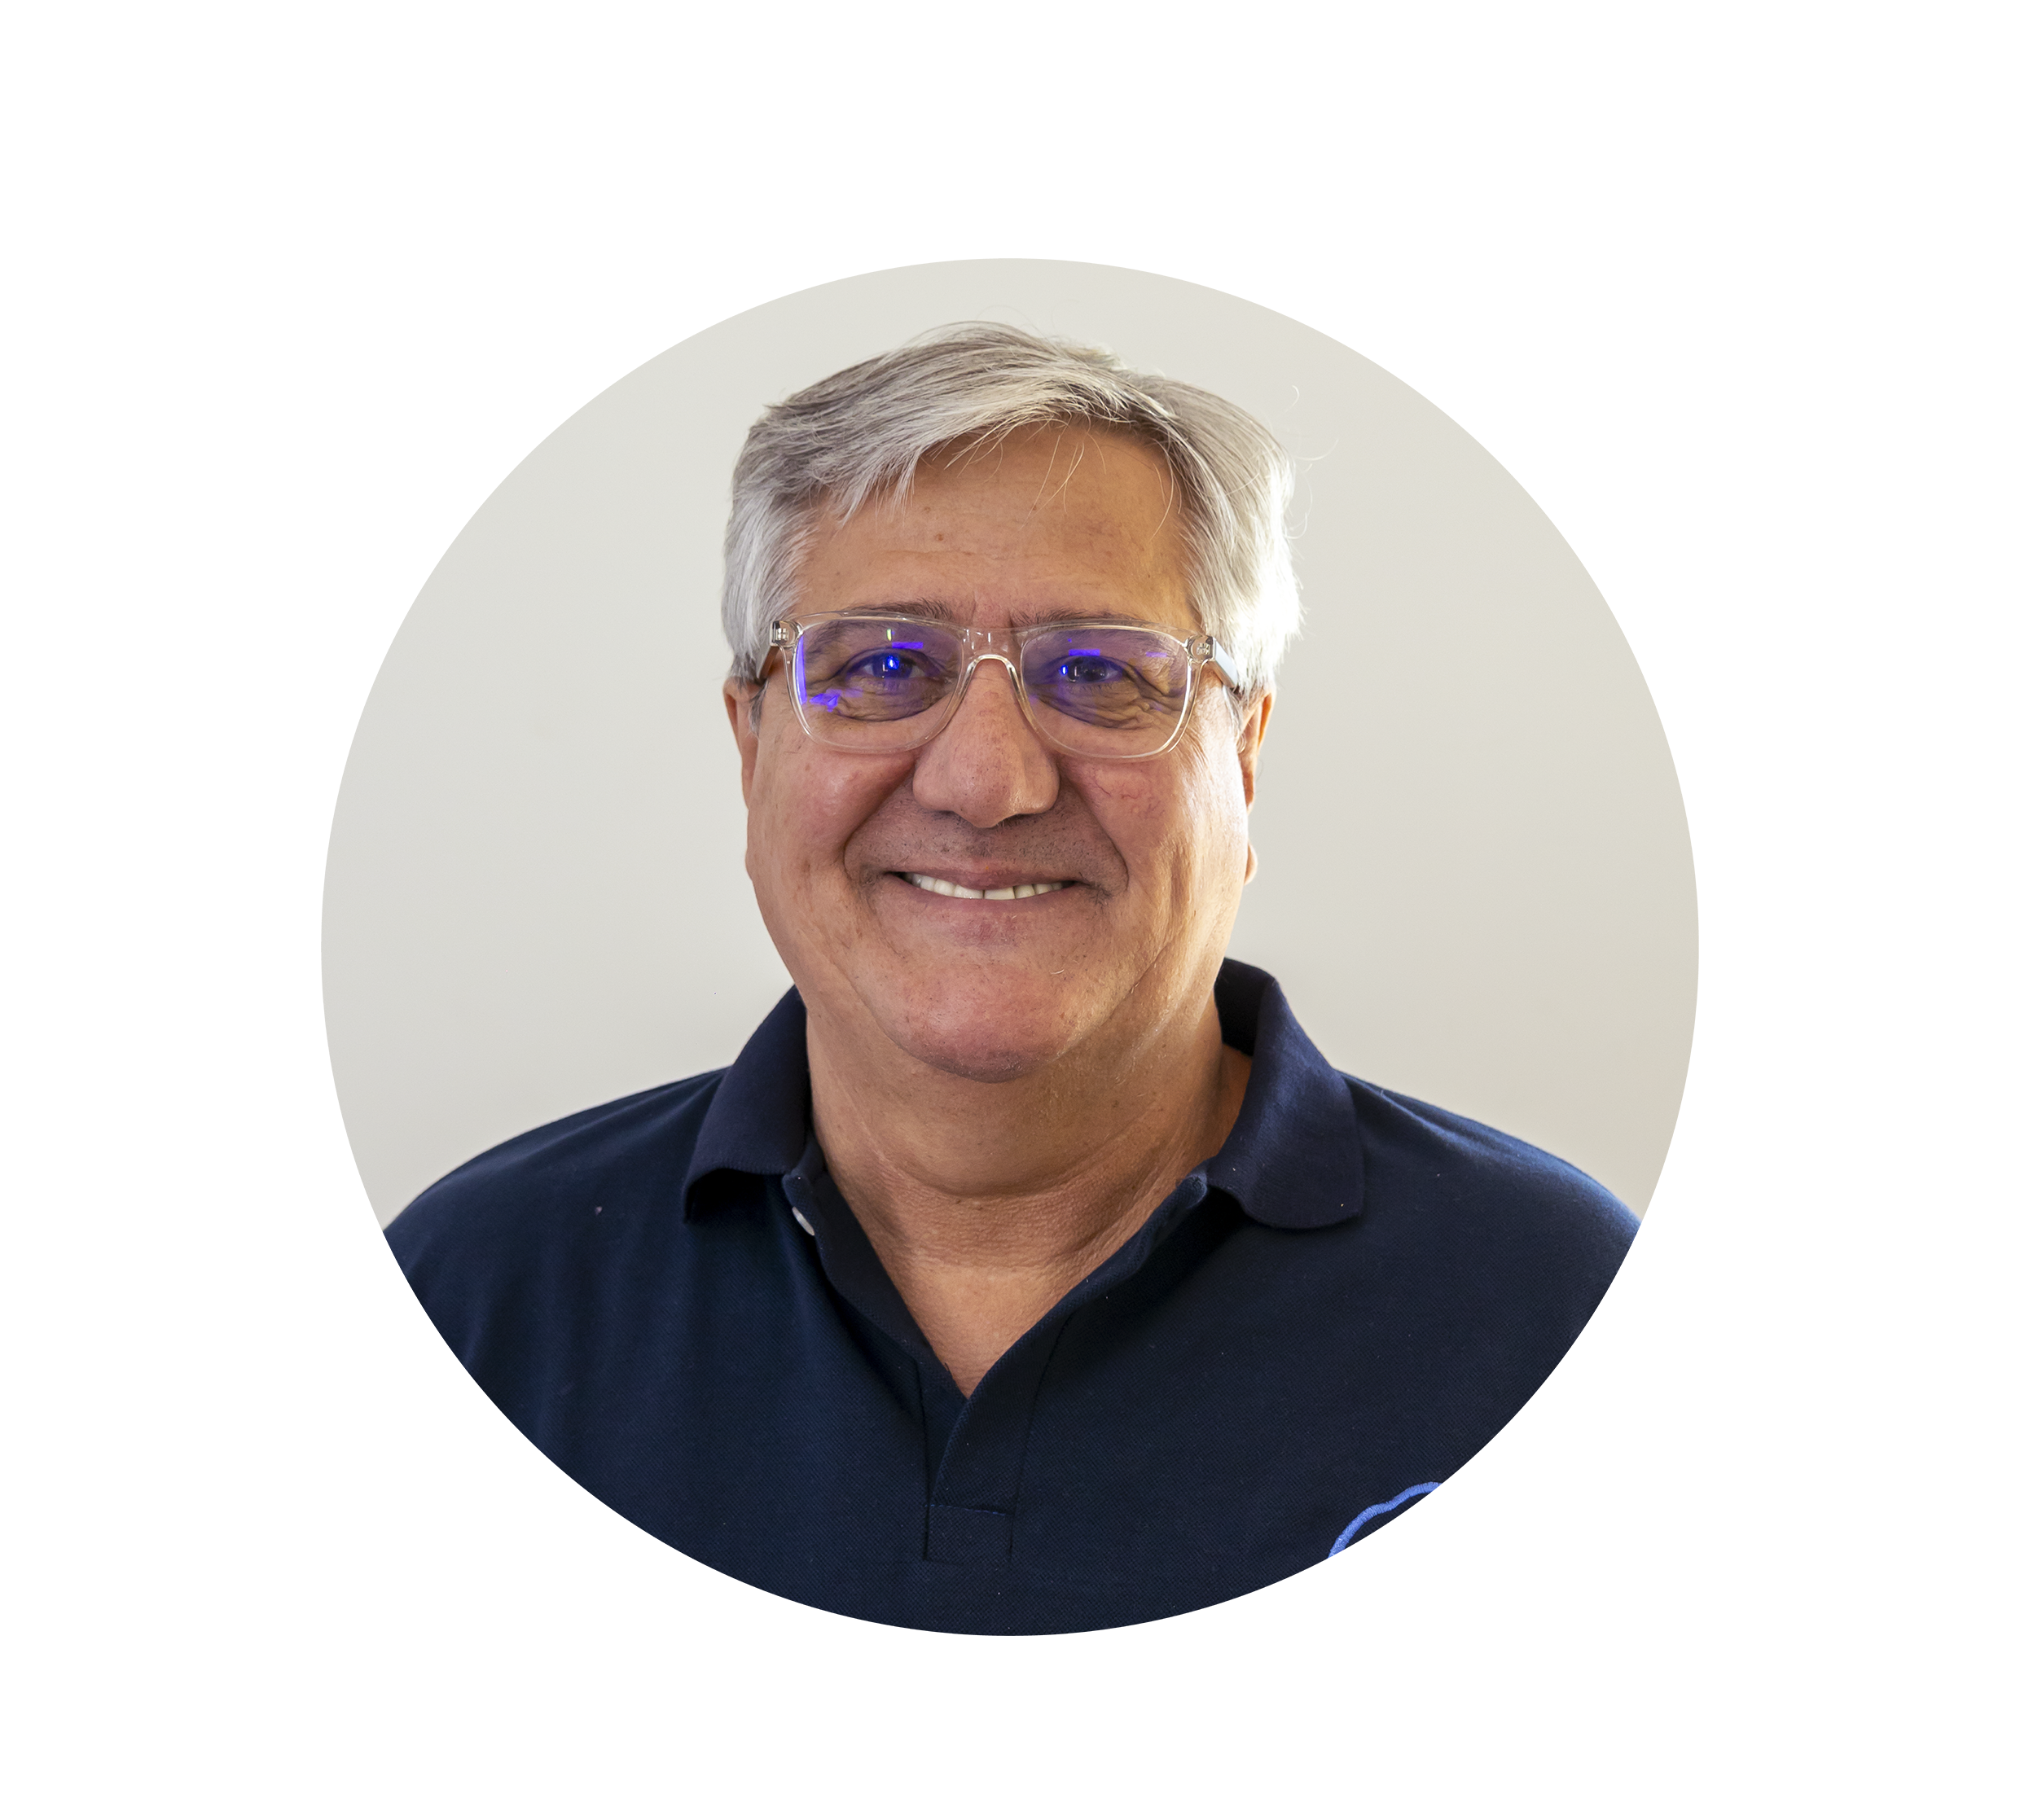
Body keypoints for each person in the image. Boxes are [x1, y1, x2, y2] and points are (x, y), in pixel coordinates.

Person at [357, 323, 1664, 1634]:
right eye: (882, 667)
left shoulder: (1579, 1327)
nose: (986, 782)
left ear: (1245, 757)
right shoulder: (469, 1305)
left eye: (1099, 674)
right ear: (751, 748)